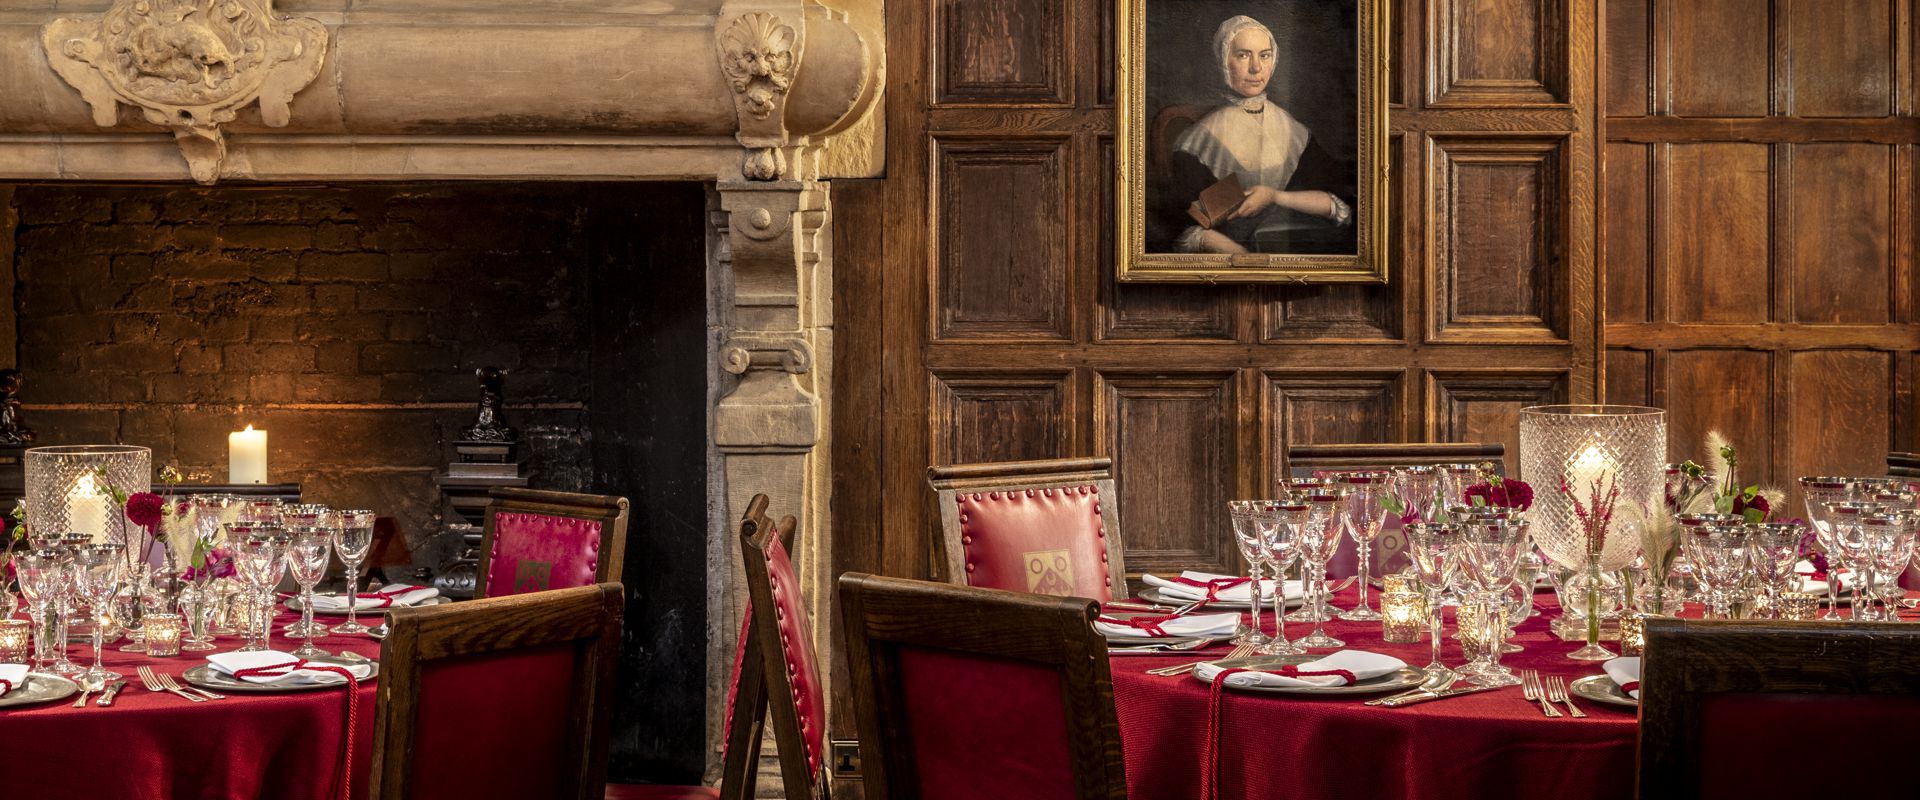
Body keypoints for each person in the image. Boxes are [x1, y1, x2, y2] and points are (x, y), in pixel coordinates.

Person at [1150, 15, 1356, 255]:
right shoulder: (1197, 142)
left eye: (1264, 55)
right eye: (1243, 55)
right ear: (1223, 61)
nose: (1256, 67)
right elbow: (1183, 228)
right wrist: (1244, 259)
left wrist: (1274, 196)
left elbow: (1340, 205)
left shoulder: (1294, 131)